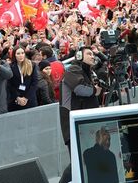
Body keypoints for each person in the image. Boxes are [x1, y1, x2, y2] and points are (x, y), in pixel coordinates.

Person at [59, 47, 102, 183]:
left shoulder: (89, 72)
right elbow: (79, 89)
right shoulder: (73, 69)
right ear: (78, 56)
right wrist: (95, 90)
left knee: (86, 160)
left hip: (85, 122)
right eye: (88, 54)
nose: (92, 56)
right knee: (78, 162)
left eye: (93, 54)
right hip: (73, 123)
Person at [7, 46, 39, 111]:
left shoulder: (31, 65)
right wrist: (17, 97)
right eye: (18, 53)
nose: (21, 55)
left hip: (30, 99)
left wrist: (26, 98)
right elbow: (9, 84)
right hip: (16, 100)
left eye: (22, 53)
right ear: (14, 55)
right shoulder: (10, 66)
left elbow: (35, 82)